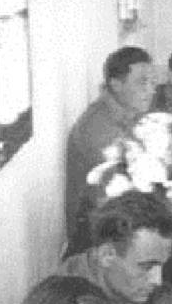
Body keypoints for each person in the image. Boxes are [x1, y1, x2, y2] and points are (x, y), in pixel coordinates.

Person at [66, 46, 156, 256]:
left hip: (119, 222)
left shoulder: (125, 113)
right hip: (97, 242)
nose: (151, 90)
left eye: (153, 83)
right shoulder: (99, 129)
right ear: (116, 84)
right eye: (143, 82)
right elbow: (124, 195)